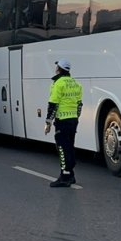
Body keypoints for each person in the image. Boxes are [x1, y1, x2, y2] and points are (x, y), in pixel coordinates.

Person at [44, 59, 83, 188]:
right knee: (70, 147)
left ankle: (64, 177)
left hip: (62, 121)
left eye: (57, 66)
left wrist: (48, 122)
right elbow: (79, 104)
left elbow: (53, 104)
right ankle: (71, 175)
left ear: (59, 69)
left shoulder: (58, 83)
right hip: (73, 121)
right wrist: (75, 118)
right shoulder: (75, 83)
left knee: (62, 148)